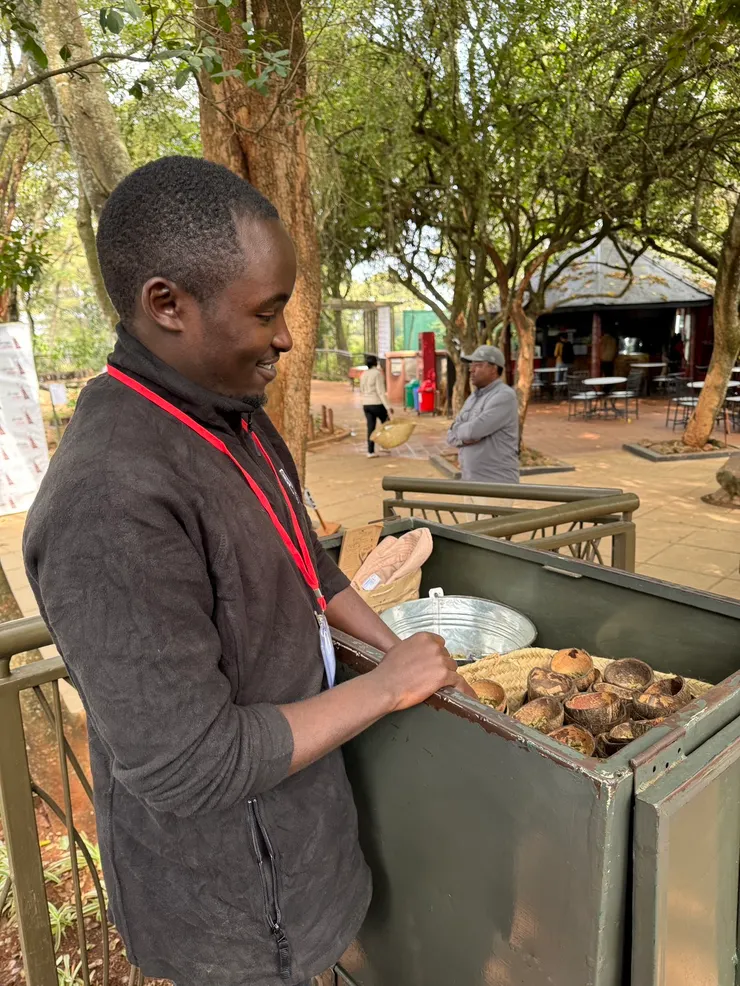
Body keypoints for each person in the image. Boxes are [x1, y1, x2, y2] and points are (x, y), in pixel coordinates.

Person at [23, 157, 473, 986]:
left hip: (304, 853)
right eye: (267, 312)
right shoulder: (107, 503)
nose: (287, 339)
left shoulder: (232, 415)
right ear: (168, 305)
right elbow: (191, 765)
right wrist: (382, 687)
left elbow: (314, 568)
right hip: (230, 917)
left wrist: (410, 660)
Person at [447, 345, 519, 511]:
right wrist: (464, 433)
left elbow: (474, 431)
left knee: (491, 535)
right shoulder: (474, 397)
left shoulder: (504, 396)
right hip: (471, 481)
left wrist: (465, 431)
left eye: (478, 365)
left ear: (494, 369)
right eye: (471, 365)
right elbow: (451, 435)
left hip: (494, 485)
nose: (471, 370)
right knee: (471, 535)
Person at [359, 354, 391, 457]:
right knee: (386, 423)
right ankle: (383, 445)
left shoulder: (363, 374)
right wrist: (388, 407)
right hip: (377, 403)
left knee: (370, 427)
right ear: (376, 363)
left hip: (366, 404)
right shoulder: (377, 374)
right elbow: (381, 392)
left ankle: (370, 451)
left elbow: (362, 390)